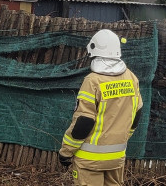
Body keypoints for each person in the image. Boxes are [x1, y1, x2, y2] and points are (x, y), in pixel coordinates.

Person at [59, 29, 143, 186]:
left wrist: (66, 152)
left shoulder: (92, 81)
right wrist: (123, 136)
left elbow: (84, 122)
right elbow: (137, 114)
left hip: (89, 160)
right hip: (116, 157)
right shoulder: (131, 78)